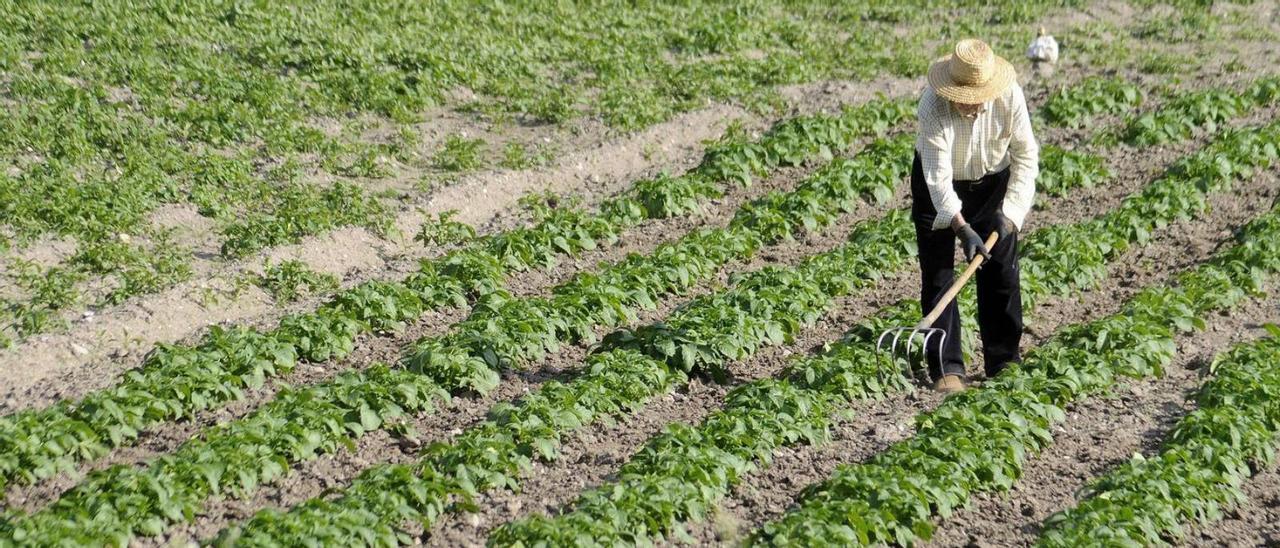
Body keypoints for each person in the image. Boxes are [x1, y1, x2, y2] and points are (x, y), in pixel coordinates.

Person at [912, 38, 1039, 393]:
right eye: (961, 99)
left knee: (1001, 271)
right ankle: (947, 368)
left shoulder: (1010, 97)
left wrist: (1010, 214)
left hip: (993, 184)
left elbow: (1026, 157)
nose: (968, 107)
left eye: (974, 100)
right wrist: (963, 228)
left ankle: (1003, 361)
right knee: (939, 275)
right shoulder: (933, 107)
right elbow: (937, 180)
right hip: (937, 185)